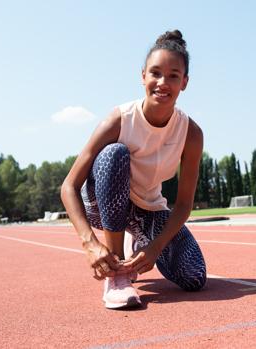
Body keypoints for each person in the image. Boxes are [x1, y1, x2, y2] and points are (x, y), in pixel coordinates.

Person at [61, 29, 206, 309]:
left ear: (184, 82)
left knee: (195, 277)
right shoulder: (120, 119)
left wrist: (155, 248)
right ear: (143, 76)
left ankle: (133, 241)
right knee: (114, 154)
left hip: (147, 209)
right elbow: (68, 186)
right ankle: (117, 274)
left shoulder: (191, 134)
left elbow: (184, 204)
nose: (163, 82)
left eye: (173, 76)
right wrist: (89, 243)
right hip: (102, 203)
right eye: (155, 73)